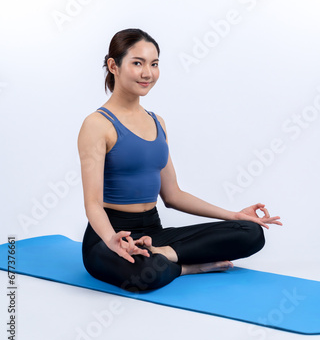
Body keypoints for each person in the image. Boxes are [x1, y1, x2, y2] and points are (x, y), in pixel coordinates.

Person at [79, 28, 282, 293]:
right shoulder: (97, 125)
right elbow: (93, 204)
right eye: (137, 63)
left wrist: (232, 215)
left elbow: (173, 195)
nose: (147, 73)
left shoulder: (157, 122)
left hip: (153, 233)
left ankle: (165, 254)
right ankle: (189, 266)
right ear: (113, 66)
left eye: (154, 64)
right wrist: (112, 240)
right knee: (144, 274)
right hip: (109, 235)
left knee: (251, 233)